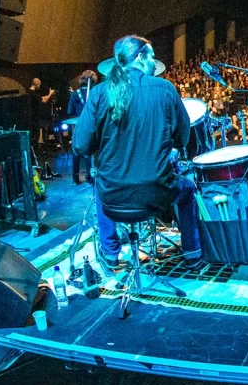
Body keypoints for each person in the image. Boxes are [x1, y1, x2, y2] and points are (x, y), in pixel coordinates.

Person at [73, 35, 204, 270]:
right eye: (152, 56)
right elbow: (183, 138)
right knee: (188, 189)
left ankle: (110, 253)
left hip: (114, 196)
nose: (155, 63)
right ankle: (192, 253)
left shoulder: (100, 92)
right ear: (141, 57)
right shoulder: (165, 89)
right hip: (157, 193)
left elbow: (80, 146)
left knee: (101, 186)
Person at [67, 70, 98, 184]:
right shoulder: (95, 93)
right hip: (91, 126)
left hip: (78, 126)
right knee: (89, 150)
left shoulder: (75, 94)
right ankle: (90, 176)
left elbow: (69, 111)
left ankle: (75, 177)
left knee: (76, 150)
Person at [29, 77, 56, 146]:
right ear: (37, 84)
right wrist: (50, 93)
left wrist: (47, 96)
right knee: (36, 135)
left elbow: (41, 98)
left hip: (31, 116)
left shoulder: (30, 92)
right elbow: (44, 100)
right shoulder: (33, 93)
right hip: (35, 117)